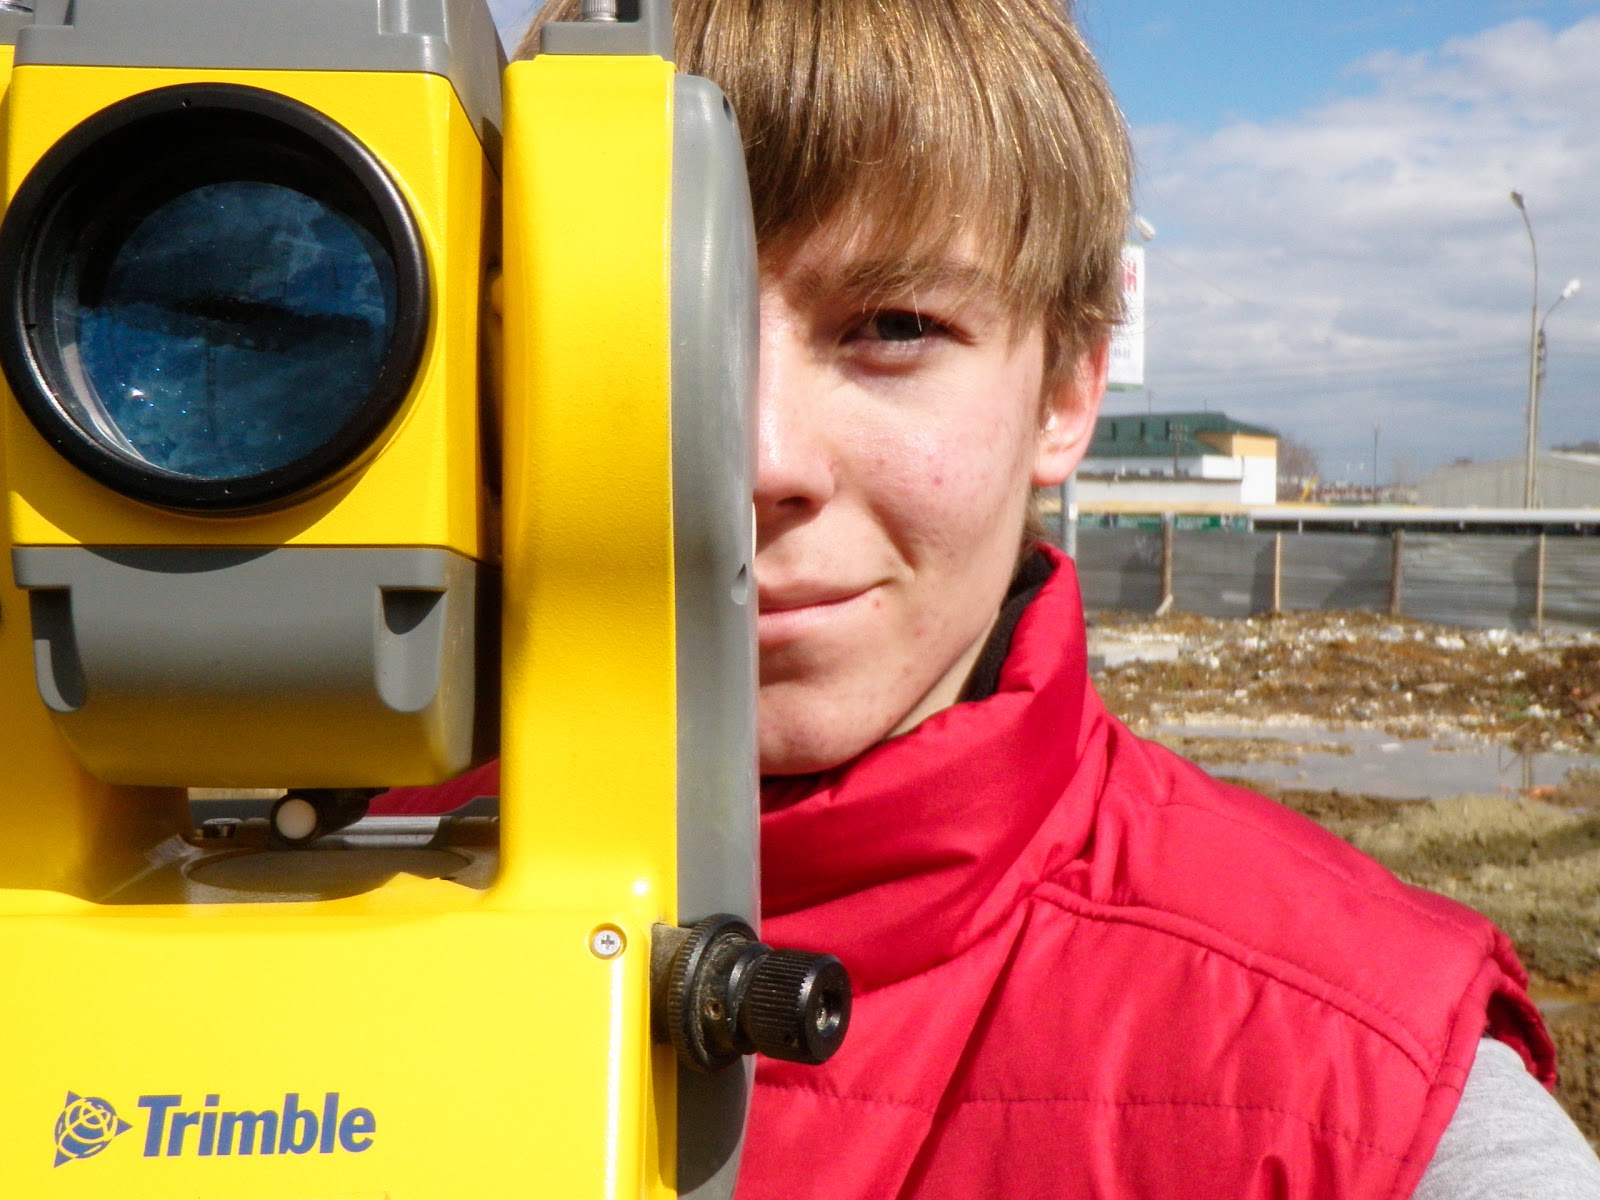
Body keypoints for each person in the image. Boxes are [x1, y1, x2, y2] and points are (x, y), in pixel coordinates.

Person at [378, 0, 1600, 1195]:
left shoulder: (1361, 1102)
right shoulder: (312, 882)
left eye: (892, 326)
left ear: (1065, 391)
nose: (758, 460)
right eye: (629, 321)